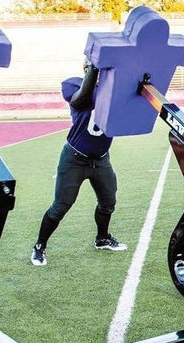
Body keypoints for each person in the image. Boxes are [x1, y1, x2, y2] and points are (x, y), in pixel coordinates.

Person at [30, 60, 128, 266]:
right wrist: (94, 68)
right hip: (74, 159)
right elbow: (81, 100)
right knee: (60, 206)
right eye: (92, 68)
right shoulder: (75, 86)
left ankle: (102, 239)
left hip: (101, 160)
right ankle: (40, 246)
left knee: (108, 203)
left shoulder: (112, 90)